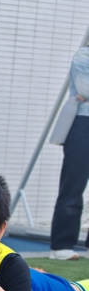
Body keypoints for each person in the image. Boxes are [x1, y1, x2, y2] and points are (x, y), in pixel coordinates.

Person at [50, 46, 89, 260]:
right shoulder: (84, 56)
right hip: (83, 124)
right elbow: (85, 87)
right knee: (73, 187)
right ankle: (61, 247)